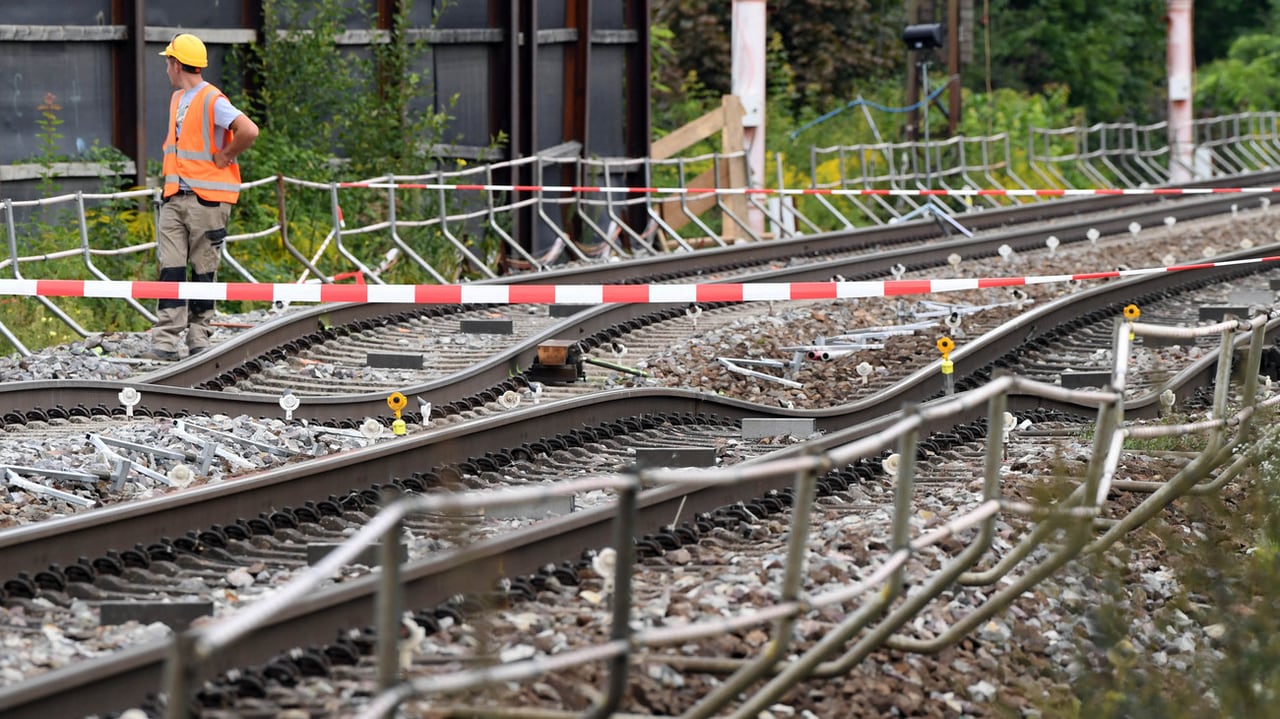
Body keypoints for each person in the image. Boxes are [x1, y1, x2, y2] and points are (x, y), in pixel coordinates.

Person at [143, 33, 259, 361]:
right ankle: (166, 338)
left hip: (206, 198)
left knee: (203, 268)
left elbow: (249, 130)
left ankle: (199, 335)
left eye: (168, 62)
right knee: (171, 267)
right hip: (174, 197)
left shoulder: (212, 99)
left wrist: (225, 155)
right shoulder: (177, 99)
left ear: (176, 64)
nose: (167, 68)